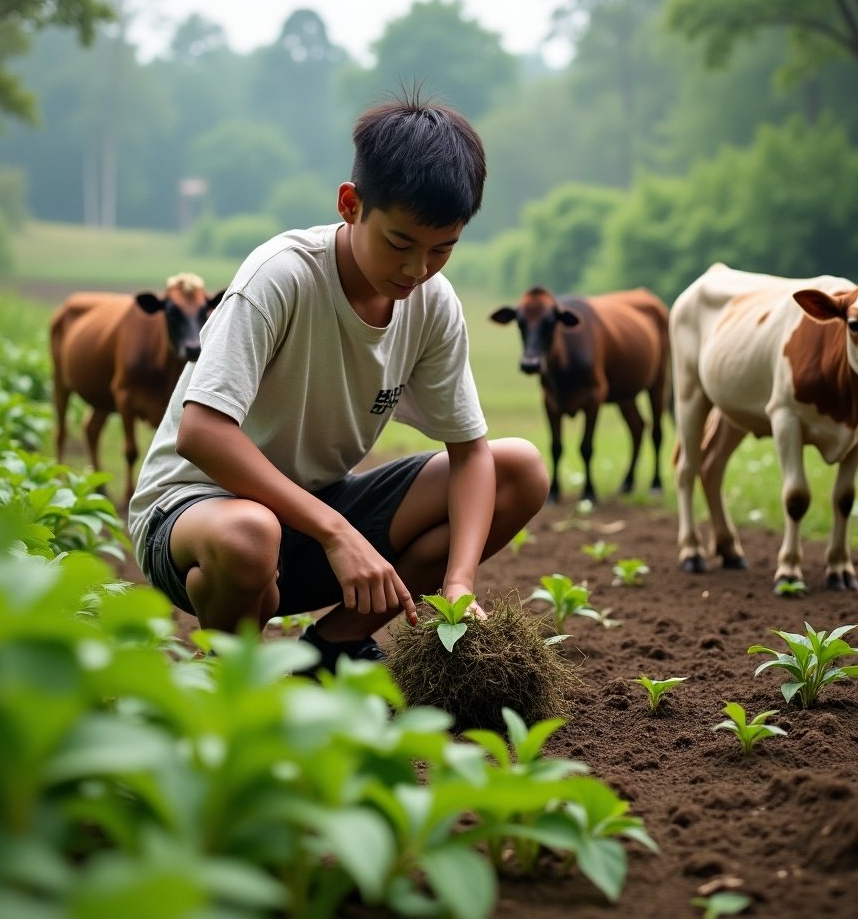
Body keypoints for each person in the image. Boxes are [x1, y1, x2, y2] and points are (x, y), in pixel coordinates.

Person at [128, 92, 550, 672]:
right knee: (251, 534)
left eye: (442, 249)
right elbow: (200, 433)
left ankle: (332, 648)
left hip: (311, 515)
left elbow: (470, 452)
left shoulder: (431, 304)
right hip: (196, 516)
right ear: (351, 204)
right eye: (400, 243)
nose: (416, 270)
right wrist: (334, 532)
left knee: (519, 468)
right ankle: (235, 677)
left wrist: (459, 582)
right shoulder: (281, 277)